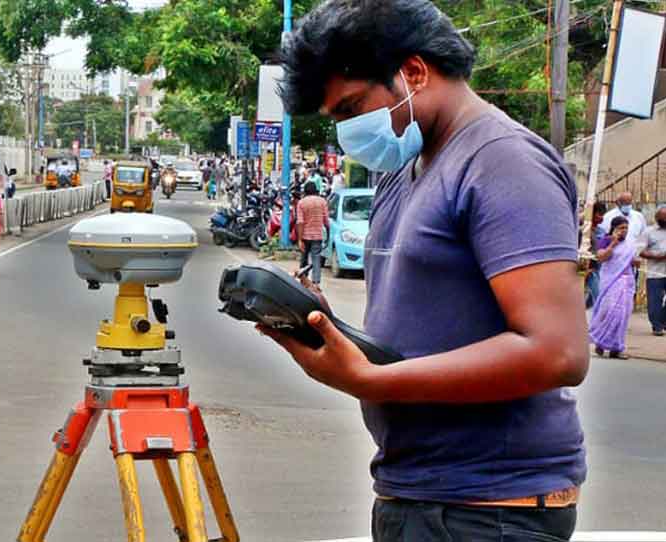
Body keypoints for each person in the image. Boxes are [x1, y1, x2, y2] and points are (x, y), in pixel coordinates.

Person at [266, 1, 588, 540]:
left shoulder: (503, 161)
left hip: (488, 512)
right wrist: (328, 332)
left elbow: (557, 351)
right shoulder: (405, 168)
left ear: (414, 73)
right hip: (418, 494)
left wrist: (373, 380)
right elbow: (424, 325)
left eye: (351, 109)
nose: (347, 131)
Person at [589, 216, 638, 358]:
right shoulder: (605, 240)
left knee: (623, 314)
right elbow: (602, 258)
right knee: (608, 311)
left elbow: (629, 261)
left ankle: (616, 348)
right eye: (621, 228)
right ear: (614, 228)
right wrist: (613, 244)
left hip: (626, 282)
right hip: (611, 282)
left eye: (626, 228)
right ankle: (600, 342)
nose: (624, 231)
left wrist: (635, 262)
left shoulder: (629, 244)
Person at [296, 180, 329, 285]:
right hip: (317, 236)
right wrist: (328, 232)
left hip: (305, 236)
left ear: (305, 191)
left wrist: (300, 239)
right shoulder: (322, 202)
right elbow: (326, 220)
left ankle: (303, 281)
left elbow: (300, 222)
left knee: (304, 259)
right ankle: (316, 284)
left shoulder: (301, 203)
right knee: (316, 260)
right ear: (316, 191)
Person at [639, 207, 666, 336]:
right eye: (663, 220)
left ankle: (663, 321)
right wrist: (658, 256)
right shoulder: (648, 232)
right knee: (655, 300)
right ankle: (657, 326)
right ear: (657, 219)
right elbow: (640, 251)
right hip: (655, 272)